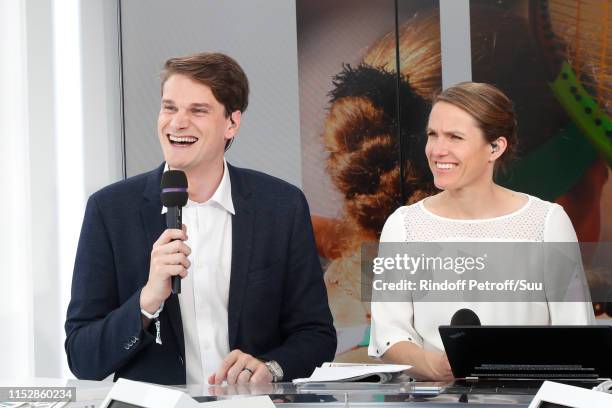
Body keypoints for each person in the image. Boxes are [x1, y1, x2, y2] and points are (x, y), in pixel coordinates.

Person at [65, 52, 336, 385]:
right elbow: (82, 357)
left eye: (198, 110)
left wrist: (271, 367)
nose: (178, 122)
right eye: (170, 107)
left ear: (232, 123)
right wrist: (148, 299)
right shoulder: (109, 210)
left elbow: (316, 336)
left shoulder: (281, 206)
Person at [368, 82, 596, 381]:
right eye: (432, 135)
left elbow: (576, 334)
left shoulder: (547, 223)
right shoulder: (403, 226)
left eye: (455, 137)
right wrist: (434, 365)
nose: (437, 150)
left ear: (495, 147)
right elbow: (389, 334)